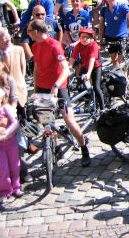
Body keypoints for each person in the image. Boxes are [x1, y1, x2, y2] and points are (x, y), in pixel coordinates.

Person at [28, 19, 90, 166]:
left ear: (36, 32)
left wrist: (56, 85)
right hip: (43, 87)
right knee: (47, 121)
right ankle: (55, 145)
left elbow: (65, 69)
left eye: (29, 31)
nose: (27, 34)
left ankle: (84, 148)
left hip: (58, 87)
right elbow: (36, 69)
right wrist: (36, 90)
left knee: (69, 119)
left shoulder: (54, 45)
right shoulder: (35, 46)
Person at [68, 28, 105, 110]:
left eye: (86, 37)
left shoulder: (94, 45)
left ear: (91, 38)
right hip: (85, 65)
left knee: (96, 87)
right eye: (81, 37)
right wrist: (68, 70)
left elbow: (92, 60)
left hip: (95, 67)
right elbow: (72, 58)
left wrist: (88, 74)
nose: (84, 39)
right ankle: (87, 102)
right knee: (81, 86)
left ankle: (103, 108)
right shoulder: (79, 45)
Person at [99, 0, 129, 67]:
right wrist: (100, 38)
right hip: (109, 36)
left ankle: (124, 77)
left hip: (121, 37)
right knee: (114, 61)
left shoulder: (122, 7)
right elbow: (101, 24)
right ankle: (118, 78)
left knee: (121, 60)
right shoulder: (104, 9)